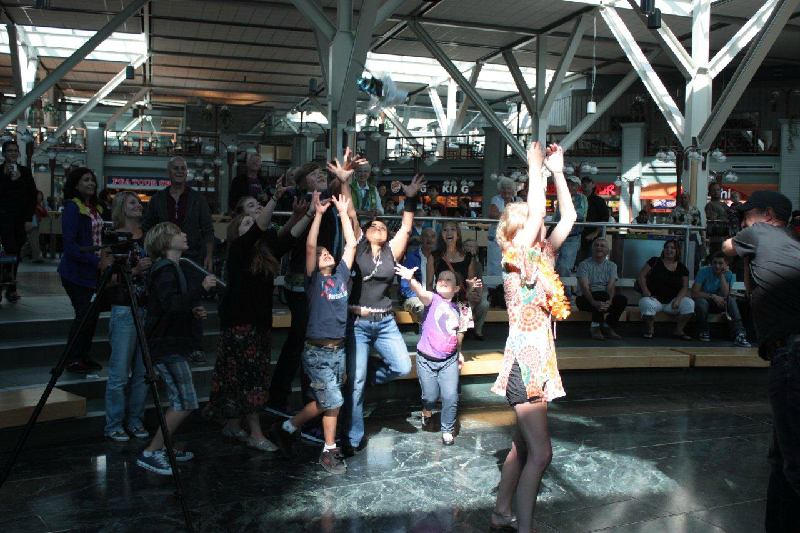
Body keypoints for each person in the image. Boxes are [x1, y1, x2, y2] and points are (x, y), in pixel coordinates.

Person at [490, 142, 574, 533]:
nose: (539, 224)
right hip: (526, 370)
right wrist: (534, 167)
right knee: (541, 455)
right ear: (515, 232)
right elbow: (540, 212)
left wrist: (557, 171)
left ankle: (501, 512)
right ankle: (524, 528)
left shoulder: (542, 258)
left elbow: (568, 217)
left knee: (522, 448)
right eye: (529, 223)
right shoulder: (515, 259)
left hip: (536, 366)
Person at [204, 179, 312, 452]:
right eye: (246, 223)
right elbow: (259, 230)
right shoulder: (238, 250)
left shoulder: (265, 252)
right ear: (236, 231)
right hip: (240, 325)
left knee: (243, 378)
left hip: (258, 323)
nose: (252, 225)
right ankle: (255, 432)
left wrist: (311, 214)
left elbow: (290, 237)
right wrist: (274, 198)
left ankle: (232, 425)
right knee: (249, 380)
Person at [721, 190, 800, 532]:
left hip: (792, 356)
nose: (741, 222)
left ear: (768, 214)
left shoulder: (760, 234)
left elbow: (726, 248)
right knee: (782, 457)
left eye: (746, 214)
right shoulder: (792, 243)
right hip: (790, 350)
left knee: (793, 461)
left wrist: (738, 240)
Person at [269, 155, 361, 420]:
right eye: (313, 174)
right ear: (301, 184)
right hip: (304, 282)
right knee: (301, 341)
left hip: (325, 280)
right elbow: (295, 242)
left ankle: (302, 399)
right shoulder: (303, 205)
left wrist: (343, 178)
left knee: (302, 341)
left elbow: (342, 195)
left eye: (321, 172)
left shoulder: (328, 200)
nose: (320, 175)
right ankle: (286, 398)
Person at [270, 193, 356, 474]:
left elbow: (352, 244)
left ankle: (286, 428)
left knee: (328, 402)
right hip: (317, 352)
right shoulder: (314, 280)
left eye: (326, 251)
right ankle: (328, 450)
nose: (324, 253)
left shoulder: (341, 275)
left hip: (338, 350)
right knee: (332, 400)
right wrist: (317, 214)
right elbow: (309, 246)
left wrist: (343, 214)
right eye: (320, 254)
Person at [341, 172, 426, 457]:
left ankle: (363, 371)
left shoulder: (392, 251)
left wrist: (410, 198)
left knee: (401, 366)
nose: (378, 227)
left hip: (385, 322)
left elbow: (407, 226)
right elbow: (350, 214)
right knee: (355, 386)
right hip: (357, 322)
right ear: (365, 232)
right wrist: (344, 181)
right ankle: (352, 436)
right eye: (373, 225)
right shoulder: (357, 247)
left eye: (382, 226)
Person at [136, 222, 217, 475]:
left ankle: (161, 447)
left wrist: (191, 311)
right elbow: (170, 304)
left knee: (182, 400)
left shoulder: (172, 268)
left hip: (170, 343)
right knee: (185, 401)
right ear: (164, 242)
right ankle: (152, 452)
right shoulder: (166, 268)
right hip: (166, 345)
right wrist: (201, 289)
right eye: (178, 233)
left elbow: (170, 306)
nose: (184, 234)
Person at [141, 156, 214, 365]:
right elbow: (147, 227)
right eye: (176, 168)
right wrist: (152, 252)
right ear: (169, 172)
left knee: (193, 298)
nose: (180, 171)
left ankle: (194, 347)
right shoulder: (158, 199)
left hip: (192, 258)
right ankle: (169, 346)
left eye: (183, 168)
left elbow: (207, 229)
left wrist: (208, 255)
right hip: (165, 259)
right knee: (168, 302)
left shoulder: (197, 199)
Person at [396, 264, 468, 446]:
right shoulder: (433, 299)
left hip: (448, 360)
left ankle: (447, 429)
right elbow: (420, 292)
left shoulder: (457, 309)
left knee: (450, 397)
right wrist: (410, 280)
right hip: (426, 360)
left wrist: (458, 353)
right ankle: (426, 408)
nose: (443, 281)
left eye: (448, 279)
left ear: (456, 289)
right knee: (430, 397)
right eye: (440, 278)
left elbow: (455, 335)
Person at [103, 191, 151, 441]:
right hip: (124, 307)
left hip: (148, 306)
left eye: (139, 202)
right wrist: (134, 270)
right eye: (132, 202)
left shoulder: (149, 237)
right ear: (121, 207)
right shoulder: (113, 238)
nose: (138, 205)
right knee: (120, 373)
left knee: (143, 372)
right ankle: (113, 423)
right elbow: (107, 278)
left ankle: (135, 420)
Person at [57, 168, 105, 374]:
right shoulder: (72, 208)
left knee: (91, 316)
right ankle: (72, 359)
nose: (91, 183)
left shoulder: (95, 208)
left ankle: (83, 356)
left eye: (92, 180)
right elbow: (70, 244)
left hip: (92, 271)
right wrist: (94, 261)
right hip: (76, 272)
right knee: (84, 314)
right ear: (76, 184)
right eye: (86, 180)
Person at [425, 220, 482, 340]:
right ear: (441, 235)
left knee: (458, 340)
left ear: (458, 235)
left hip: (462, 302)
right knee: (443, 339)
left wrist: (472, 288)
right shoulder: (434, 256)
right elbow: (429, 285)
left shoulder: (468, 257)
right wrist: (433, 303)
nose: (449, 232)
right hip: (442, 302)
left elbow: (470, 285)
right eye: (445, 230)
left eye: (453, 229)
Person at [0, 140, 37, 301]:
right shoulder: (0, 171)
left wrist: (29, 219)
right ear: (4, 153)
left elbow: (32, 196)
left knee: (16, 253)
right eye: (9, 150)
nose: (13, 153)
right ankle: (6, 283)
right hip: (4, 218)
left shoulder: (25, 172)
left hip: (21, 219)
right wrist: (5, 176)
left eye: (15, 150)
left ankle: (10, 286)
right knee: (10, 249)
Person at [637, 239, 695, 340]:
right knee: (645, 302)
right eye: (667, 247)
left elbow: (684, 287)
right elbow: (641, 275)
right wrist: (645, 290)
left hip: (672, 302)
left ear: (677, 251)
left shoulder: (682, 268)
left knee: (689, 304)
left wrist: (678, 300)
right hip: (654, 299)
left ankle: (679, 330)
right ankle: (650, 329)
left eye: (672, 248)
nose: (669, 250)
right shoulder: (654, 261)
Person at [690, 252, 749, 346]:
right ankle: (704, 331)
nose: (717, 266)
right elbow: (694, 293)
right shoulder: (703, 271)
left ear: (726, 264)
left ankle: (739, 334)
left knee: (731, 299)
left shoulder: (730, 274)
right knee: (700, 302)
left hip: (722, 303)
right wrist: (713, 296)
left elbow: (727, 294)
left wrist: (722, 275)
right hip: (707, 302)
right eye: (715, 263)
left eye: (720, 263)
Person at [575, 238, 627, 340]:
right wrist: (593, 302)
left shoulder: (612, 266)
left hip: (604, 298)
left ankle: (607, 325)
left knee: (622, 299)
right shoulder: (584, 265)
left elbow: (610, 287)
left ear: (607, 251)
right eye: (596, 245)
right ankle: (595, 327)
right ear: (592, 249)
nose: (599, 247)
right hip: (585, 299)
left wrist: (610, 300)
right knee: (601, 295)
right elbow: (585, 287)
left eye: (602, 246)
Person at [399, 226, 437, 324]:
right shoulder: (412, 258)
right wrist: (422, 295)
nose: (429, 239)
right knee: (424, 308)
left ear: (436, 240)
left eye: (433, 236)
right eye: (426, 236)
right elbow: (405, 286)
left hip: (435, 296)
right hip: (414, 297)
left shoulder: (440, 257)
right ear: (421, 239)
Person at [554, 175, 587, 281]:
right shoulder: (561, 198)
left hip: (572, 237)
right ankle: (560, 289)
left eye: (572, 184)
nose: (569, 186)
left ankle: (566, 290)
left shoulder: (581, 198)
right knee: (555, 266)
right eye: (568, 184)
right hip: (558, 236)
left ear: (578, 187)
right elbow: (556, 217)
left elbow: (580, 216)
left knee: (564, 267)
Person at [488, 177, 522, 277]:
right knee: (496, 263)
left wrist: (502, 214)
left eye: (508, 188)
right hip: (497, 236)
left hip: (514, 236)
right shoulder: (496, 199)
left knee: (514, 262)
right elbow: (492, 214)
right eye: (503, 188)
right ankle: (495, 285)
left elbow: (523, 214)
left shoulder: (519, 200)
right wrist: (512, 214)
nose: (506, 191)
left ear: (513, 189)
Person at [463, 238, 489, 340]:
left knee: (484, 304)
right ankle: (463, 330)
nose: (468, 248)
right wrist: (468, 295)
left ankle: (477, 330)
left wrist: (479, 295)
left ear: (476, 250)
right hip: (462, 293)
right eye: (466, 246)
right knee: (468, 304)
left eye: (471, 246)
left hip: (473, 292)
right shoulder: (459, 262)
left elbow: (479, 282)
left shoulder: (478, 265)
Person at [578, 175, 607, 264]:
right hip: (578, 234)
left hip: (593, 235)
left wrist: (596, 232)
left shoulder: (598, 201)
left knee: (591, 261)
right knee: (578, 261)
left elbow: (604, 218)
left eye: (588, 183)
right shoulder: (578, 199)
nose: (585, 184)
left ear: (593, 185)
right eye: (583, 183)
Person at [21, 190, 49, 263]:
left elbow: (44, 212)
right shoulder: (33, 203)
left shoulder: (38, 204)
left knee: (31, 242)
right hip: (33, 223)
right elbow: (44, 212)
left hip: (34, 223)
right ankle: (36, 258)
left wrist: (40, 208)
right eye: (39, 195)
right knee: (34, 241)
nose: (40, 196)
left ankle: (19, 254)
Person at [705, 182, 729, 255]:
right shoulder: (711, 205)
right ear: (710, 192)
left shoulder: (724, 204)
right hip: (717, 239)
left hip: (727, 238)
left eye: (718, 190)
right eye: (714, 190)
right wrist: (726, 220)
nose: (716, 192)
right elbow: (712, 221)